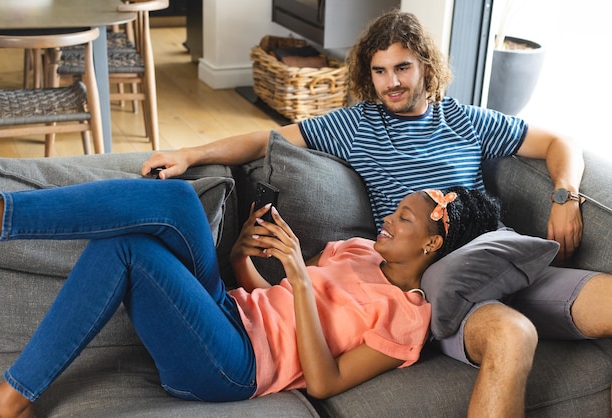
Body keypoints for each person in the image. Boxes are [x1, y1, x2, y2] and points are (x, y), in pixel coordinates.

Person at [141, 9, 612, 417]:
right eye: (381, 71)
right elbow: (270, 139)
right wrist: (191, 153)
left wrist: (565, 195)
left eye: (402, 67)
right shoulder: (357, 124)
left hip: (501, 255)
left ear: (425, 66)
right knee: (513, 335)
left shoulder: (468, 120)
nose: (392, 82)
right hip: (437, 284)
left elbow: (559, 141)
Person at [0, 179, 500, 417]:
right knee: (179, 198)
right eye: (396, 209)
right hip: (227, 313)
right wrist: (240, 262)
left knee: (126, 249)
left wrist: (300, 276)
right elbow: (272, 304)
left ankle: (9, 400)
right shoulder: (358, 250)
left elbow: (323, 382)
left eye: (404, 219)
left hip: (233, 367)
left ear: (432, 245)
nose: (388, 218)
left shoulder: (406, 318)